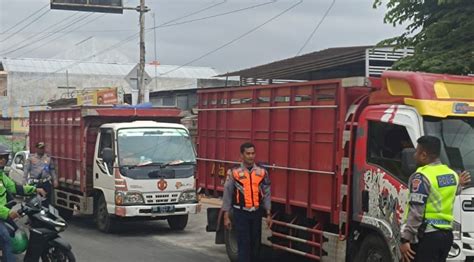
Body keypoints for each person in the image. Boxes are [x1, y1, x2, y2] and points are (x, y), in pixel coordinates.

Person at [400, 136, 471, 262]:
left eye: (417, 152)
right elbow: (449, 193)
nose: (414, 155)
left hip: (427, 235)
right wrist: (459, 184)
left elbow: (416, 211)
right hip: (446, 236)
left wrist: (406, 239)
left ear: (424, 155)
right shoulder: (451, 174)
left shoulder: (421, 176)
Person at [222, 142, 272, 262]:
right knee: (244, 245)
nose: (251, 156)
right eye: (248, 153)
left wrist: (269, 213)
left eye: (253, 153)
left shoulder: (262, 172)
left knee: (255, 245)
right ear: (242, 155)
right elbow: (227, 193)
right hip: (241, 214)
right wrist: (226, 215)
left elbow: (267, 193)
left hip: (256, 213)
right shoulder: (234, 172)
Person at [0, 149, 46, 262]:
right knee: (6, 238)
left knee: (14, 231)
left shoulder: (2, 176)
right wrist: (8, 213)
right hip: (2, 214)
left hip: (2, 214)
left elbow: (15, 188)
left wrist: (35, 189)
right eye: (0, 158)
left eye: (4, 158)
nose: (2, 160)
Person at [24, 142, 57, 207]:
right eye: (39, 148)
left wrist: (55, 180)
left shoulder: (48, 158)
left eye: (42, 148)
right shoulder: (31, 158)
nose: (41, 150)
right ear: (36, 149)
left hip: (45, 183)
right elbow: (26, 171)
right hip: (35, 183)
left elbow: (52, 169)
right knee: (34, 201)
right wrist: (24, 182)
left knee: (46, 202)